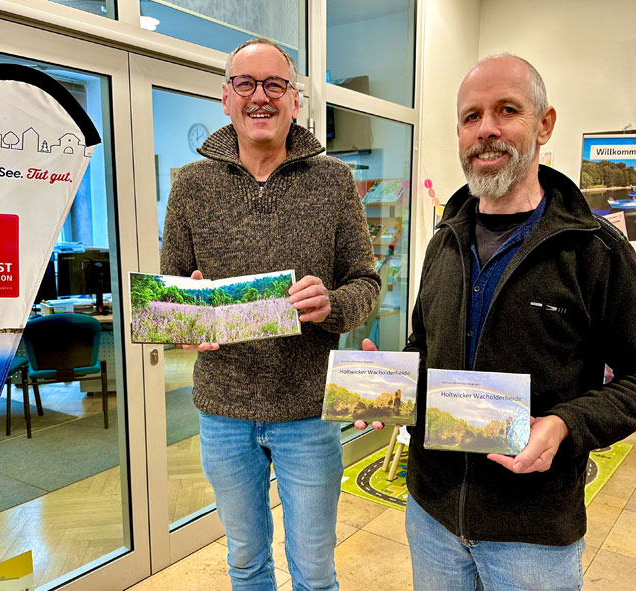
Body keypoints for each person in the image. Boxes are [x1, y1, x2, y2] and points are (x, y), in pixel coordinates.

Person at [362, 54, 636, 590]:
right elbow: (427, 345)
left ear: (544, 124)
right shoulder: (443, 242)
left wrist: (565, 425)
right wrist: (390, 384)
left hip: (533, 535)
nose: (486, 129)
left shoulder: (595, 250)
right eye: (471, 116)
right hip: (431, 515)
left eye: (506, 110)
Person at [161, 38, 380, 591]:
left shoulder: (333, 182)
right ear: (226, 99)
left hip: (308, 411)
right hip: (223, 412)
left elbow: (367, 283)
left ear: (295, 99)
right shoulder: (189, 185)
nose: (260, 97)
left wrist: (333, 305)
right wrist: (187, 317)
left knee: (314, 571)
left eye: (274, 85)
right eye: (246, 84)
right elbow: (170, 294)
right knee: (246, 563)